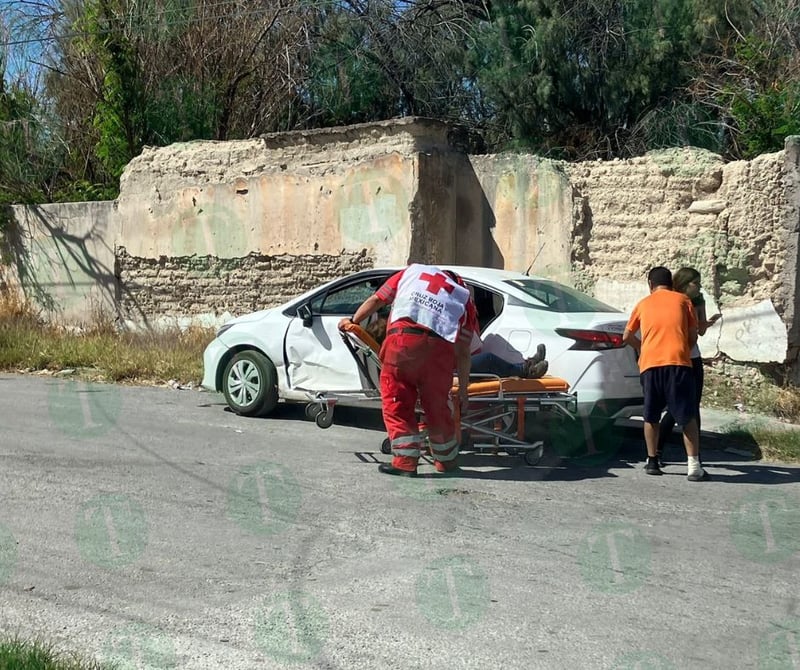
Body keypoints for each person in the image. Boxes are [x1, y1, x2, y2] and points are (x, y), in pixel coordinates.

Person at [339, 263, 477, 477]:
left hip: (403, 343)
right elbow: (464, 352)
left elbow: (376, 300)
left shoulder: (410, 274)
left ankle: (405, 463)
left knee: (398, 402)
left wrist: (352, 321)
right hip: (439, 352)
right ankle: (447, 462)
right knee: (438, 407)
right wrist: (465, 392)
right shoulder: (463, 295)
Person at [622, 266, 710, 481]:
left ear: (650, 284)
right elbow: (693, 335)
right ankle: (694, 466)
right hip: (679, 363)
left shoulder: (643, 303)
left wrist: (643, 348)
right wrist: (683, 350)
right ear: (670, 283)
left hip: (650, 365)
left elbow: (626, 336)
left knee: (651, 415)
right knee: (687, 415)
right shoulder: (683, 301)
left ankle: (652, 461)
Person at [656, 267, 721, 463]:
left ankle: (695, 456)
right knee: (675, 407)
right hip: (675, 357)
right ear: (684, 283)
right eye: (696, 283)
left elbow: (699, 332)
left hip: (692, 357)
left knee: (692, 406)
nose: (699, 287)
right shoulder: (672, 300)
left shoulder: (698, 300)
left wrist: (707, 321)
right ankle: (657, 450)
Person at [365, 314, 549, 379]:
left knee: (486, 360)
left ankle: (528, 364)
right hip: (445, 373)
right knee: (488, 359)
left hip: (445, 366)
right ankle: (526, 370)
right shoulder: (398, 351)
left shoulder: (399, 347)